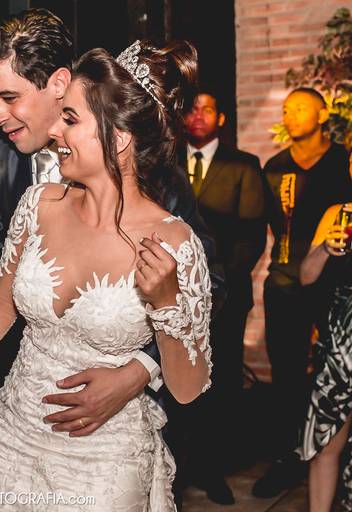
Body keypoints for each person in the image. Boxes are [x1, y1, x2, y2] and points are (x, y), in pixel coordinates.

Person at [0, 9, 223, 485]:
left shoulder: (163, 202)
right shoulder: (23, 181)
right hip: (14, 432)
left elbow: (204, 298)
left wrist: (140, 365)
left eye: (8, 98)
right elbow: (4, 285)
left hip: (106, 455)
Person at [254, 87, 352, 498]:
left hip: (338, 288)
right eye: (286, 109)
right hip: (286, 282)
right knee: (286, 374)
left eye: (300, 108)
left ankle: (330, 457)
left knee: (332, 377)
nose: (290, 115)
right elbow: (270, 225)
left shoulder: (342, 160)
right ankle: (287, 457)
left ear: (322, 115)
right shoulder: (275, 166)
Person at [172, 90, 266, 504]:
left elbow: (251, 236)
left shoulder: (244, 164)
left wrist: (212, 285)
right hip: (171, 293)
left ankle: (214, 469)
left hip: (225, 295)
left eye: (207, 109)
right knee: (175, 379)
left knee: (222, 380)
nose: (198, 115)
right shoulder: (166, 161)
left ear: (221, 119)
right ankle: (175, 469)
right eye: (192, 109)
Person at [298, 199, 352, 511]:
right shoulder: (338, 213)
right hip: (341, 346)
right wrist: (325, 250)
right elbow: (306, 275)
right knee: (326, 441)